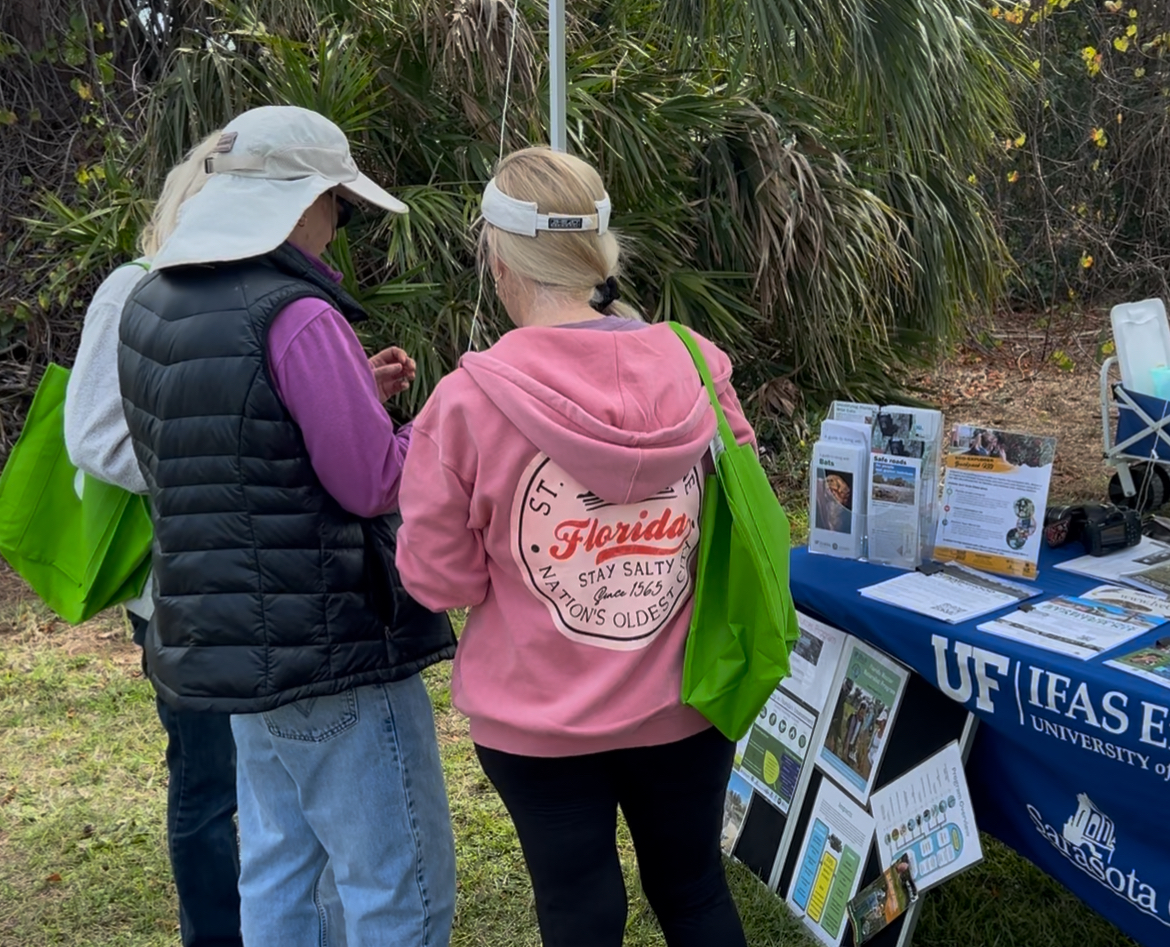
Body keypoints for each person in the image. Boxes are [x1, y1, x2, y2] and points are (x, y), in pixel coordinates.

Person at [396, 146, 755, 947]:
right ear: (600, 250)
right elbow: (740, 509)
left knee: (576, 909)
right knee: (695, 891)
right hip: (685, 698)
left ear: (498, 258)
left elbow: (441, 580)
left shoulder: (464, 404)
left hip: (536, 719)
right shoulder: (698, 365)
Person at [116, 105, 456, 947]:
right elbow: (373, 482)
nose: (337, 223)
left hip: (230, 645)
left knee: (276, 870)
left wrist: (349, 391)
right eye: (338, 202)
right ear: (301, 199)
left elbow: (226, 445)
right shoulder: (297, 314)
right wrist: (446, 418)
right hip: (331, 640)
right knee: (396, 886)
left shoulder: (152, 302)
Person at [64, 131, 247, 947]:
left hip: (252, 574)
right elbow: (93, 437)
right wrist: (216, 463)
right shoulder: (133, 289)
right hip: (176, 586)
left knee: (265, 777)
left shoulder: (248, 293)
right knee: (209, 779)